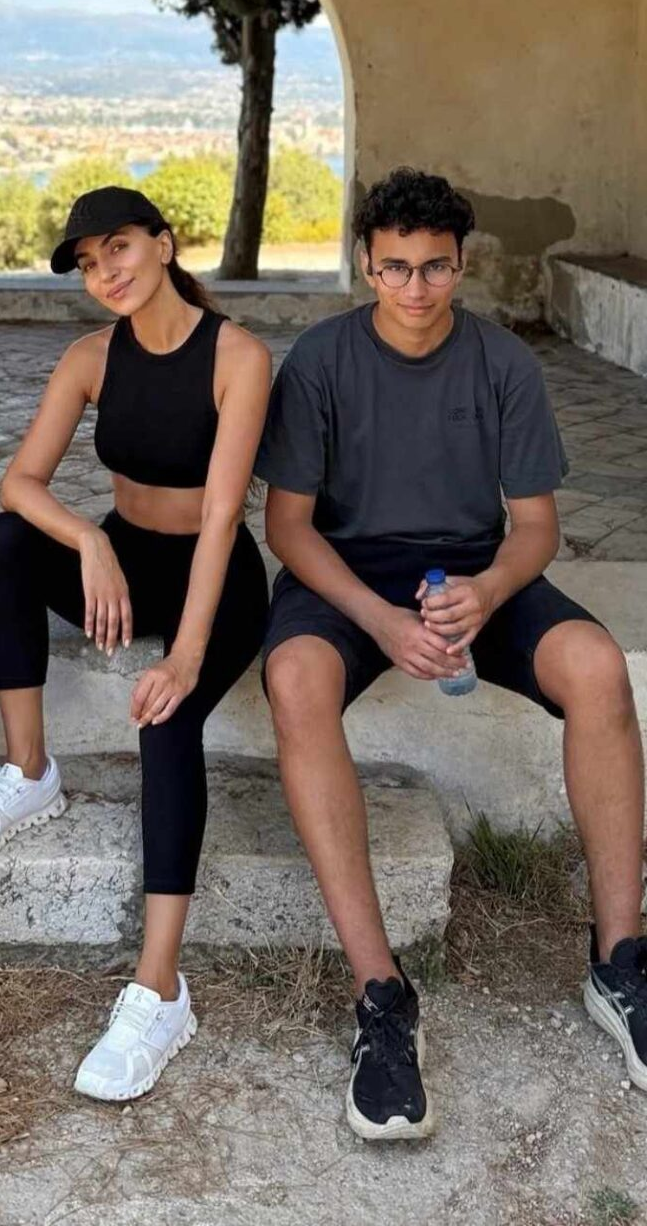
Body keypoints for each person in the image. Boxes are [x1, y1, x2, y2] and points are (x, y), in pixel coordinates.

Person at [257, 168, 645, 1141]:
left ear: (461, 264)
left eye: (434, 267)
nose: (415, 287)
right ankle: (381, 995)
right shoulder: (321, 360)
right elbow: (288, 527)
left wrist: (488, 592)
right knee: (295, 678)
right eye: (395, 267)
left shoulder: (502, 363)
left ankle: (619, 961)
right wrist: (379, 620)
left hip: (474, 570)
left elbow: (536, 528)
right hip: (346, 574)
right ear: (365, 264)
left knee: (596, 666)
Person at [0, 185, 270, 1101]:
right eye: (89, 263)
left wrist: (184, 656)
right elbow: (20, 484)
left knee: (166, 720)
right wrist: (89, 542)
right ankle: (29, 770)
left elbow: (222, 519)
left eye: (119, 248)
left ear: (164, 244)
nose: (106, 273)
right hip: (126, 557)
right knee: (3, 544)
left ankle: (158, 990)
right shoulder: (90, 357)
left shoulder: (238, 357)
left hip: (217, 576)